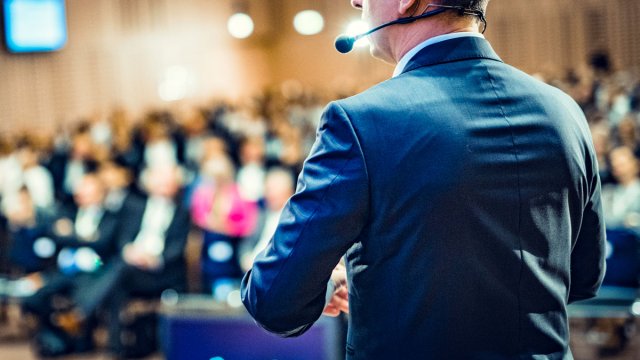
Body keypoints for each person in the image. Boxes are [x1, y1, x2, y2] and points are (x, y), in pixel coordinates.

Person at [241, 0, 606, 358]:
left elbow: (274, 299)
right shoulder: (564, 112)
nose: (356, 1)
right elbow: (585, 275)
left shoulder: (361, 122)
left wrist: (333, 282)